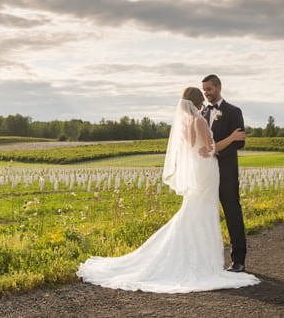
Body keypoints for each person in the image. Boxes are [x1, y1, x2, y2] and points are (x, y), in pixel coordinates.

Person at [76, 87, 259, 293]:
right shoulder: (199, 120)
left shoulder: (188, 122)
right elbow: (211, 148)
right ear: (198, 102)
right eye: (203, 93)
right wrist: (232, 137)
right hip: (207, 170)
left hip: (202, 169)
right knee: (202, 213)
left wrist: (209, 146)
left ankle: (200, 258)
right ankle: (201, 261)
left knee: (196, 212)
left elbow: (195, 147)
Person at [201, 74, 247, 272]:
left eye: (209, 89)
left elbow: (240, 142)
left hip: (227, 172)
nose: (206, 94)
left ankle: (238, 260)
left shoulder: (233, 111)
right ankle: (208, 258)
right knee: (206, 216)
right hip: (207, 174)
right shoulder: (202, 113)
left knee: (232, 214)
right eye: (204, 90)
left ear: (219, 87)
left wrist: (215, 152)